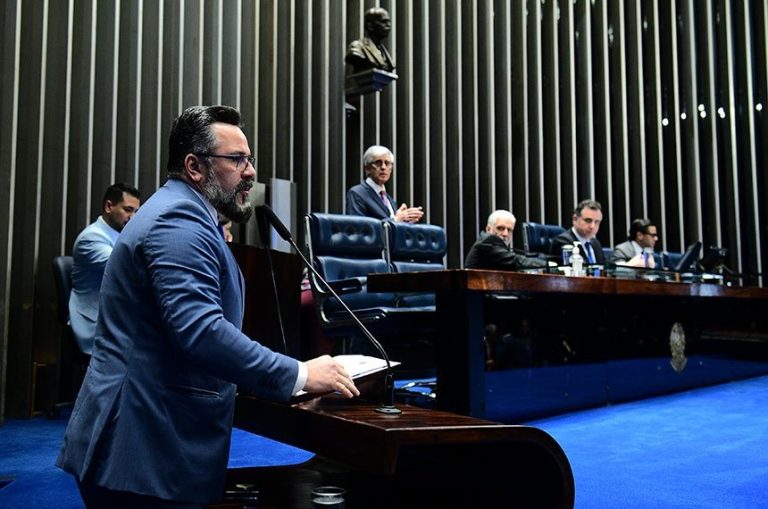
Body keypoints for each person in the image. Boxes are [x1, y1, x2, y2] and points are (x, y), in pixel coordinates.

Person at [57, 105, 359, 508]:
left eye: (248, 159)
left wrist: (285, 388)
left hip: (150, 442)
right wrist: (299, 374)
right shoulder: (177, 220)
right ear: (194, 167)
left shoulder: (189, 216)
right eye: (236, 159)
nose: (250, 171)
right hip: (140, 448)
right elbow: (200, 332)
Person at [68, 183, 141, 355]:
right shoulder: (91, 238)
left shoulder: (121, 235)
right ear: (109, 206)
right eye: (128, 210)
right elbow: (126, 267)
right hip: (96, 324)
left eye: (137, 212)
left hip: (117, 317)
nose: (133, 217)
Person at [345, 145, 423, 223]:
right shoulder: (357, 193)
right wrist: (397, 219)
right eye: (378, 163)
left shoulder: (389, 200)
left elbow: (392, 227)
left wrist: (406, 221)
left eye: (387, 163)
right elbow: (358, 229)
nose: (383, 167)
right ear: (367, 168)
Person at [464, 210, 549, 270]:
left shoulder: (495, 245)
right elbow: (516, 261)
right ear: (488, 229)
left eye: (509, 230)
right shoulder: (487, 242)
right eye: (500, 228)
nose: (505, 234)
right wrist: (549, 265)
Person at [551, 199, 606, 265]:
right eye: (588, 220)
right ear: (575, 219)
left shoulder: (596, 243)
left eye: (596, 222)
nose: (592, 226)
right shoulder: (563, 242)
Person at [345, 7, 396, 74]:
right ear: (370, 26)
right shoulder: (357, 47)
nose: (388, 25)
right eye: (384, 22)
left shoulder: (384, 52)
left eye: (389, 22)